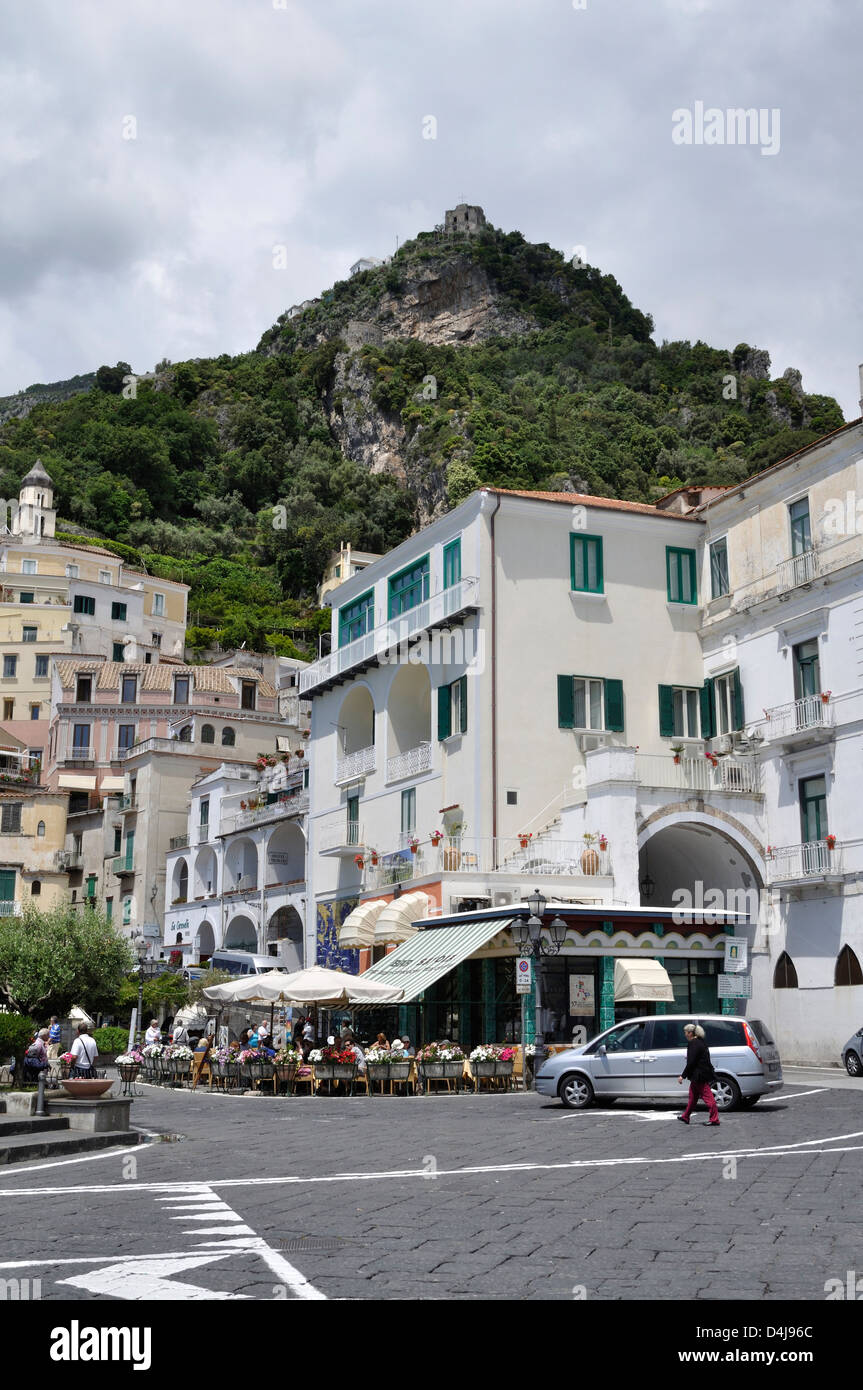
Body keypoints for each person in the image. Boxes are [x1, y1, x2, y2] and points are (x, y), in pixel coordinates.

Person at [678, 1023, 720, 1126]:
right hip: (700, 1074)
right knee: (693, 1097)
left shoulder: (694, 1043)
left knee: (708, 1098)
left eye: (686, 1032)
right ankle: (686, 1116)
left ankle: (714, 1119)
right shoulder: (701, 1042)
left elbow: (691, 1062)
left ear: (690, 1033)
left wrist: (682, 1076)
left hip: (699, 1075)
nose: (685, 1035)